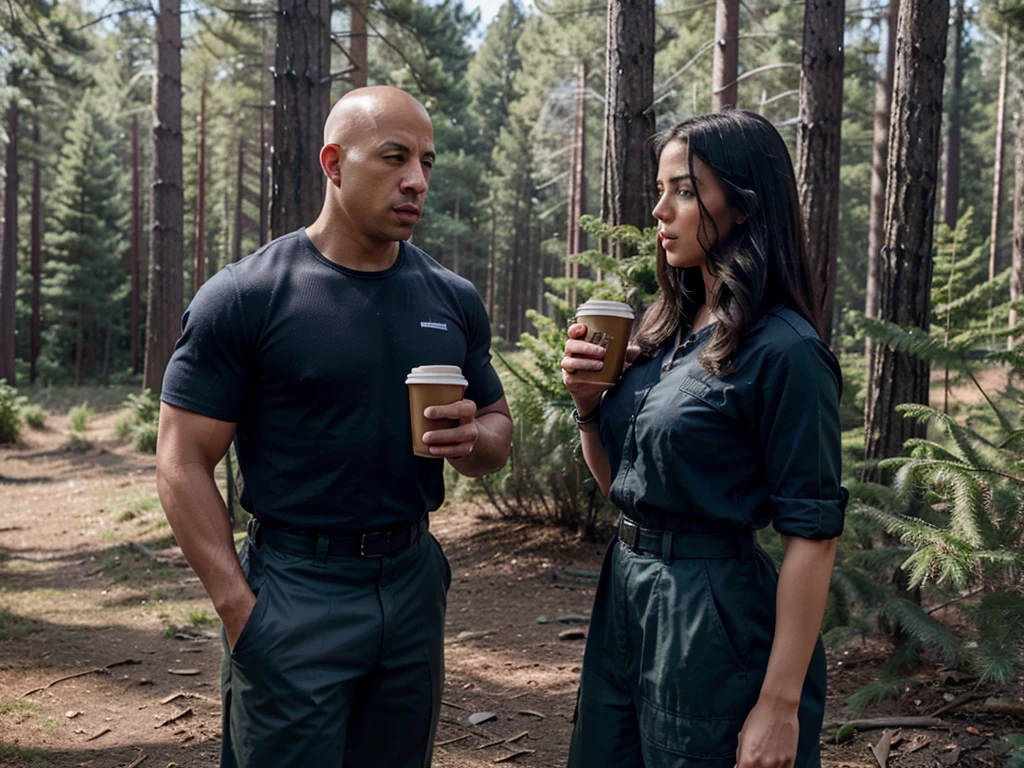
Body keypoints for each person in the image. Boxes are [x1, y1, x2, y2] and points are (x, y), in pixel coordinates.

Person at [156, 86, 513, 768]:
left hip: (411, 583)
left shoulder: (451, 298)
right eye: (395, 157)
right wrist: (240, 610)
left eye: (428, 163)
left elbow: (495, 426)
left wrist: (475, 440)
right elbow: (181, 460)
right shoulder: (247, 296)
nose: (417, 180)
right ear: (334, 162)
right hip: (294, 585)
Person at [561, 109, 847, 768]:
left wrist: (778, 705)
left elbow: (814, 533)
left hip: (711, 616)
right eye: (661, 190)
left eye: (685, 191)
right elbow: (628, 491)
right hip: (628, 595)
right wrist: (586, 409)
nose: (661, 210)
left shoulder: (785, 351)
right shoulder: (665, 334)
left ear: (743, 206)